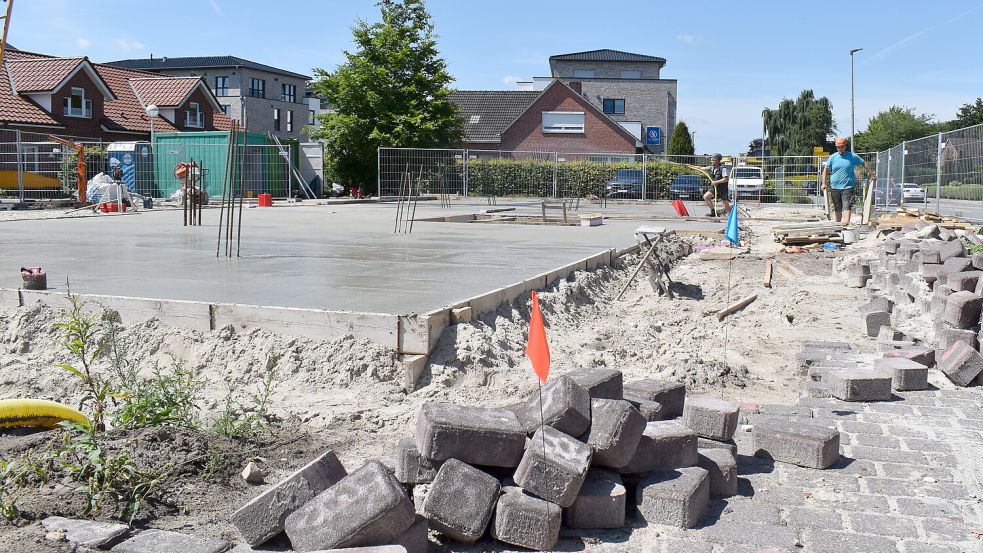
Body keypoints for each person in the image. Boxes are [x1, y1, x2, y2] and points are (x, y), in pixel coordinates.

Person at [821, 137, 869, 226]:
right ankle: (838, 225)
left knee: (847, 205)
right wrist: (824, 183)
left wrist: (871, 173)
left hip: (848, 186)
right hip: (835, 186)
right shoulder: (833, 157)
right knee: (837, 207)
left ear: (845, 146)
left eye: (841, 147)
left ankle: (846, 224)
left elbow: (863, 163)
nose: (840, 149)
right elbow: (826, 170)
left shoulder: (851, 156)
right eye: (838, 147)